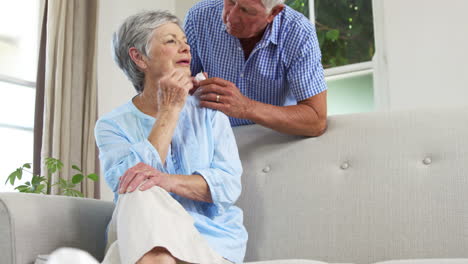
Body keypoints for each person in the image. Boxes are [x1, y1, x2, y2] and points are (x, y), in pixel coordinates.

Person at [46, 10, 247, 264]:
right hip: (141, 238)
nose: (185, 48)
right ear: (139, 57)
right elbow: (129, 184)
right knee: (137, 187)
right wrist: (170, 111)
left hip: (208, 243)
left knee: (125, 235)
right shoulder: (111, 126)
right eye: (171, 41)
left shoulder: (208, 113)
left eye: (185, 41)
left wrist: (165, 180)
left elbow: (228, 186)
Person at [185, 0, 328, 137]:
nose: (232, 17)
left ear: (273, 13)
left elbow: (316, 120)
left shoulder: (299, 32)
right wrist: (186, 88)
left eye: (246, 10)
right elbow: (177, 88)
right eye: (231, 1)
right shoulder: (199, 17)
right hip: (213, 139)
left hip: (275, 140)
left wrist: (246, 108)